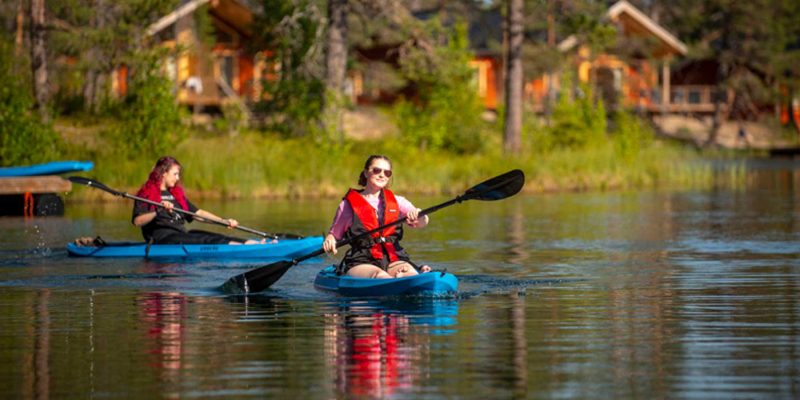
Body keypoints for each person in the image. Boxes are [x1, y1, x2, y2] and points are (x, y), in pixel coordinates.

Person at [322, 155, 431, 278]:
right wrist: (330, 239)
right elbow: (335, 235)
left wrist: (420, 214)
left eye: (387, 172)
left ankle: (403, 280)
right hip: (362, 259)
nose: (382, 175)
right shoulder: (347, 205)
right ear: (366, 173)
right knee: (380, 276)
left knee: (411, 274)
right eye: (377, 170)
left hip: (393, 257)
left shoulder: (398, 201)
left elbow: (423, 222)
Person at [132, 156, 263, 245]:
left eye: (178, 175)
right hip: (162, 239)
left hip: (181, 234)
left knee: (206, 234)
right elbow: (137, 221)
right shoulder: (145, 195)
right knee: (202, 239)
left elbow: (198, 214)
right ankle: (245, 248)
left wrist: (223, 221)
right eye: (175, 174)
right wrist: (158, 211)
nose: (177, 178)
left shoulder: (176, 195)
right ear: (163, 173)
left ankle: (247, 243)